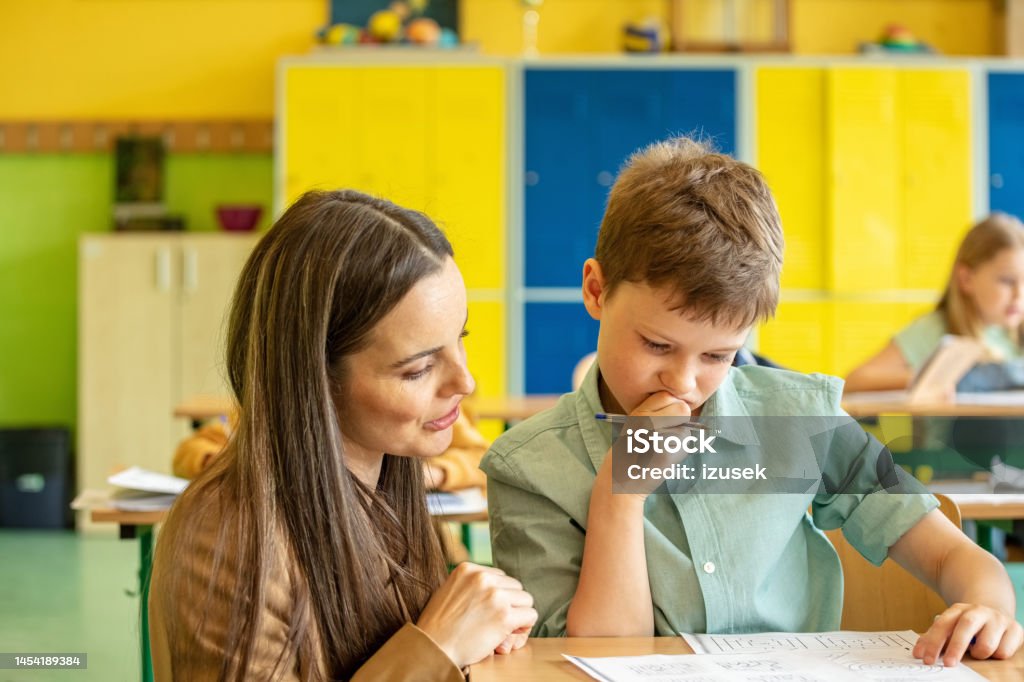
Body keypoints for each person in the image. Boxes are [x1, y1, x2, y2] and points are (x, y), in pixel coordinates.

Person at [481, 137, 1023, 667]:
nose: (684, 382)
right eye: (656, 345)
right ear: (597, 291)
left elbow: (954, 553)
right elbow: (597, 658)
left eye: (718, 356)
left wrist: (990, 608)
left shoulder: (796, 421)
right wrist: (620, 495)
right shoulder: (528, 469)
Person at [149, 190, 536, 681]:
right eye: (418, 369)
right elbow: (438, 639)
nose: (466, 382)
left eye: (461, 338)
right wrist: (438, 646)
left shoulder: (387, 479)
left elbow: (457, 615)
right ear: (315, 379)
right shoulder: (230, 538)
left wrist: (485, 625)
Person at [845, 213, 1024, 393]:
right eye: (1007, 281)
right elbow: (854, 380)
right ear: (966, 279)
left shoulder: (1013, 335)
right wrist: (931, 378)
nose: (1019, 295)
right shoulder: (935, 329)